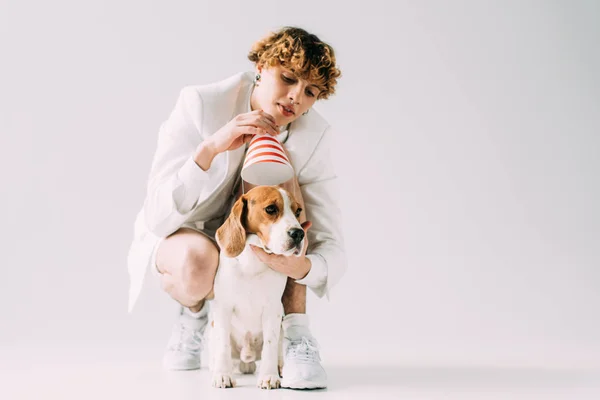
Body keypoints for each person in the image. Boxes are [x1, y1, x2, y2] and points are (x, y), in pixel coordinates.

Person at [126, 26, 347, 389]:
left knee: (287, 190)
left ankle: (295, 334)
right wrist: (212, 147)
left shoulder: (314, 134)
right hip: (193, 235)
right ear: (261, 65)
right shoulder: (201, 102)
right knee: (197, 262)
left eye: (311, 92)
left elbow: (330, 239)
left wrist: (304, 265)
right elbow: (157, 213)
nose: (295, 98)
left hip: (264, 249)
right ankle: (196, 313)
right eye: (288, 78)